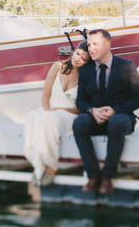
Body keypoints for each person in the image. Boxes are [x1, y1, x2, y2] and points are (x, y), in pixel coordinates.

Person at [72, 28, 139, 195]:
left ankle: (107, 176)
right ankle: (93, 176)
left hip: (121, 117)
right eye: (89, 45)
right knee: (79, 124)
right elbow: (80, 101)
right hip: (96, 118)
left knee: (117, 122)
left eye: (95, 44)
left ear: (107, 45)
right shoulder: (85, 70)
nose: (91, 49)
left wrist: (115, 110)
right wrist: (92, 110)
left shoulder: (127, 66)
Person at [24, 41, 90, 186]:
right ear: (74, 51)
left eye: (84, 58)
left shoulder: (85, 78)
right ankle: (38, 165)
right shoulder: (57, 66)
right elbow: (46, 95)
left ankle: (51, 165)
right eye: (78, 54)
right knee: (34, 116)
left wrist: (60, 111)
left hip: (69, 114)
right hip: (50, 110)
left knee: (50, 121)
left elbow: (82, 109)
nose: (78, 59)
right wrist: (47, 111)